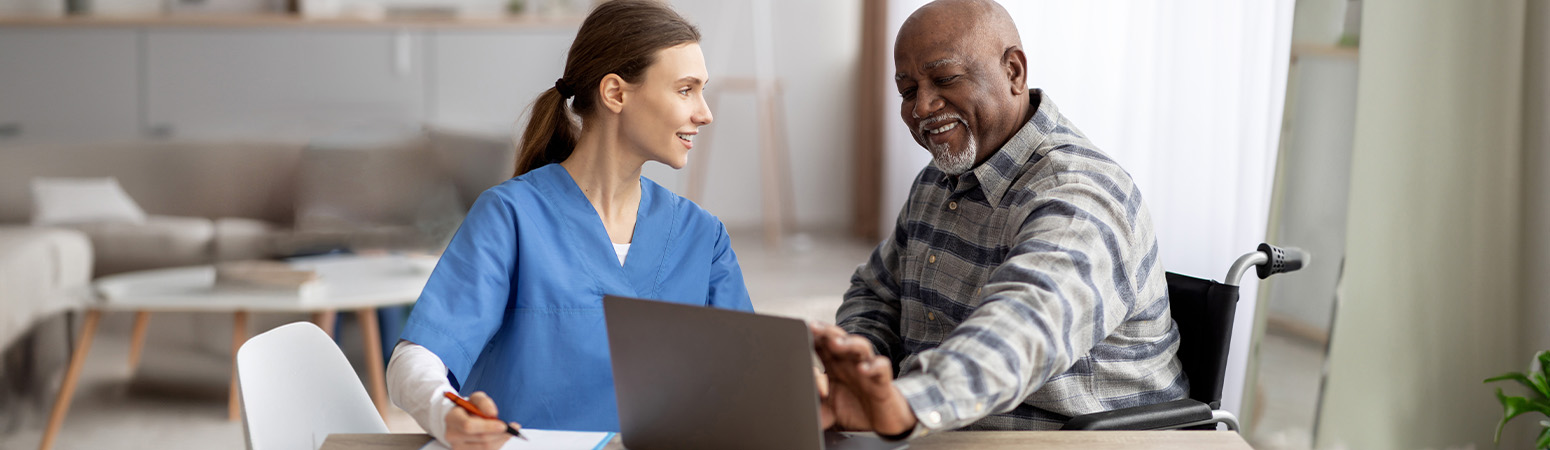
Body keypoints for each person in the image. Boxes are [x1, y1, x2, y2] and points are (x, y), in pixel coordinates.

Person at [809, 0, 1187, 439]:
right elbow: (876, 292)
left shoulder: (1081, 194)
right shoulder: (937, 179)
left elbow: (1022, 328)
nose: (923, 106)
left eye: (945, 78)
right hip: (939, 431)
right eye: (908, 91)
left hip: (1070, 438)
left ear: (1014, 72)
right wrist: (859, 365)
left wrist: (909, 402)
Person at [385, 1, 754, 449]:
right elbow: (415, 357)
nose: (704, 112)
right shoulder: (511, 216)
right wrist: (447, 414)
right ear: (616, 93)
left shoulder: (702, 236)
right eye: (685, 90)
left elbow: (749, 378)